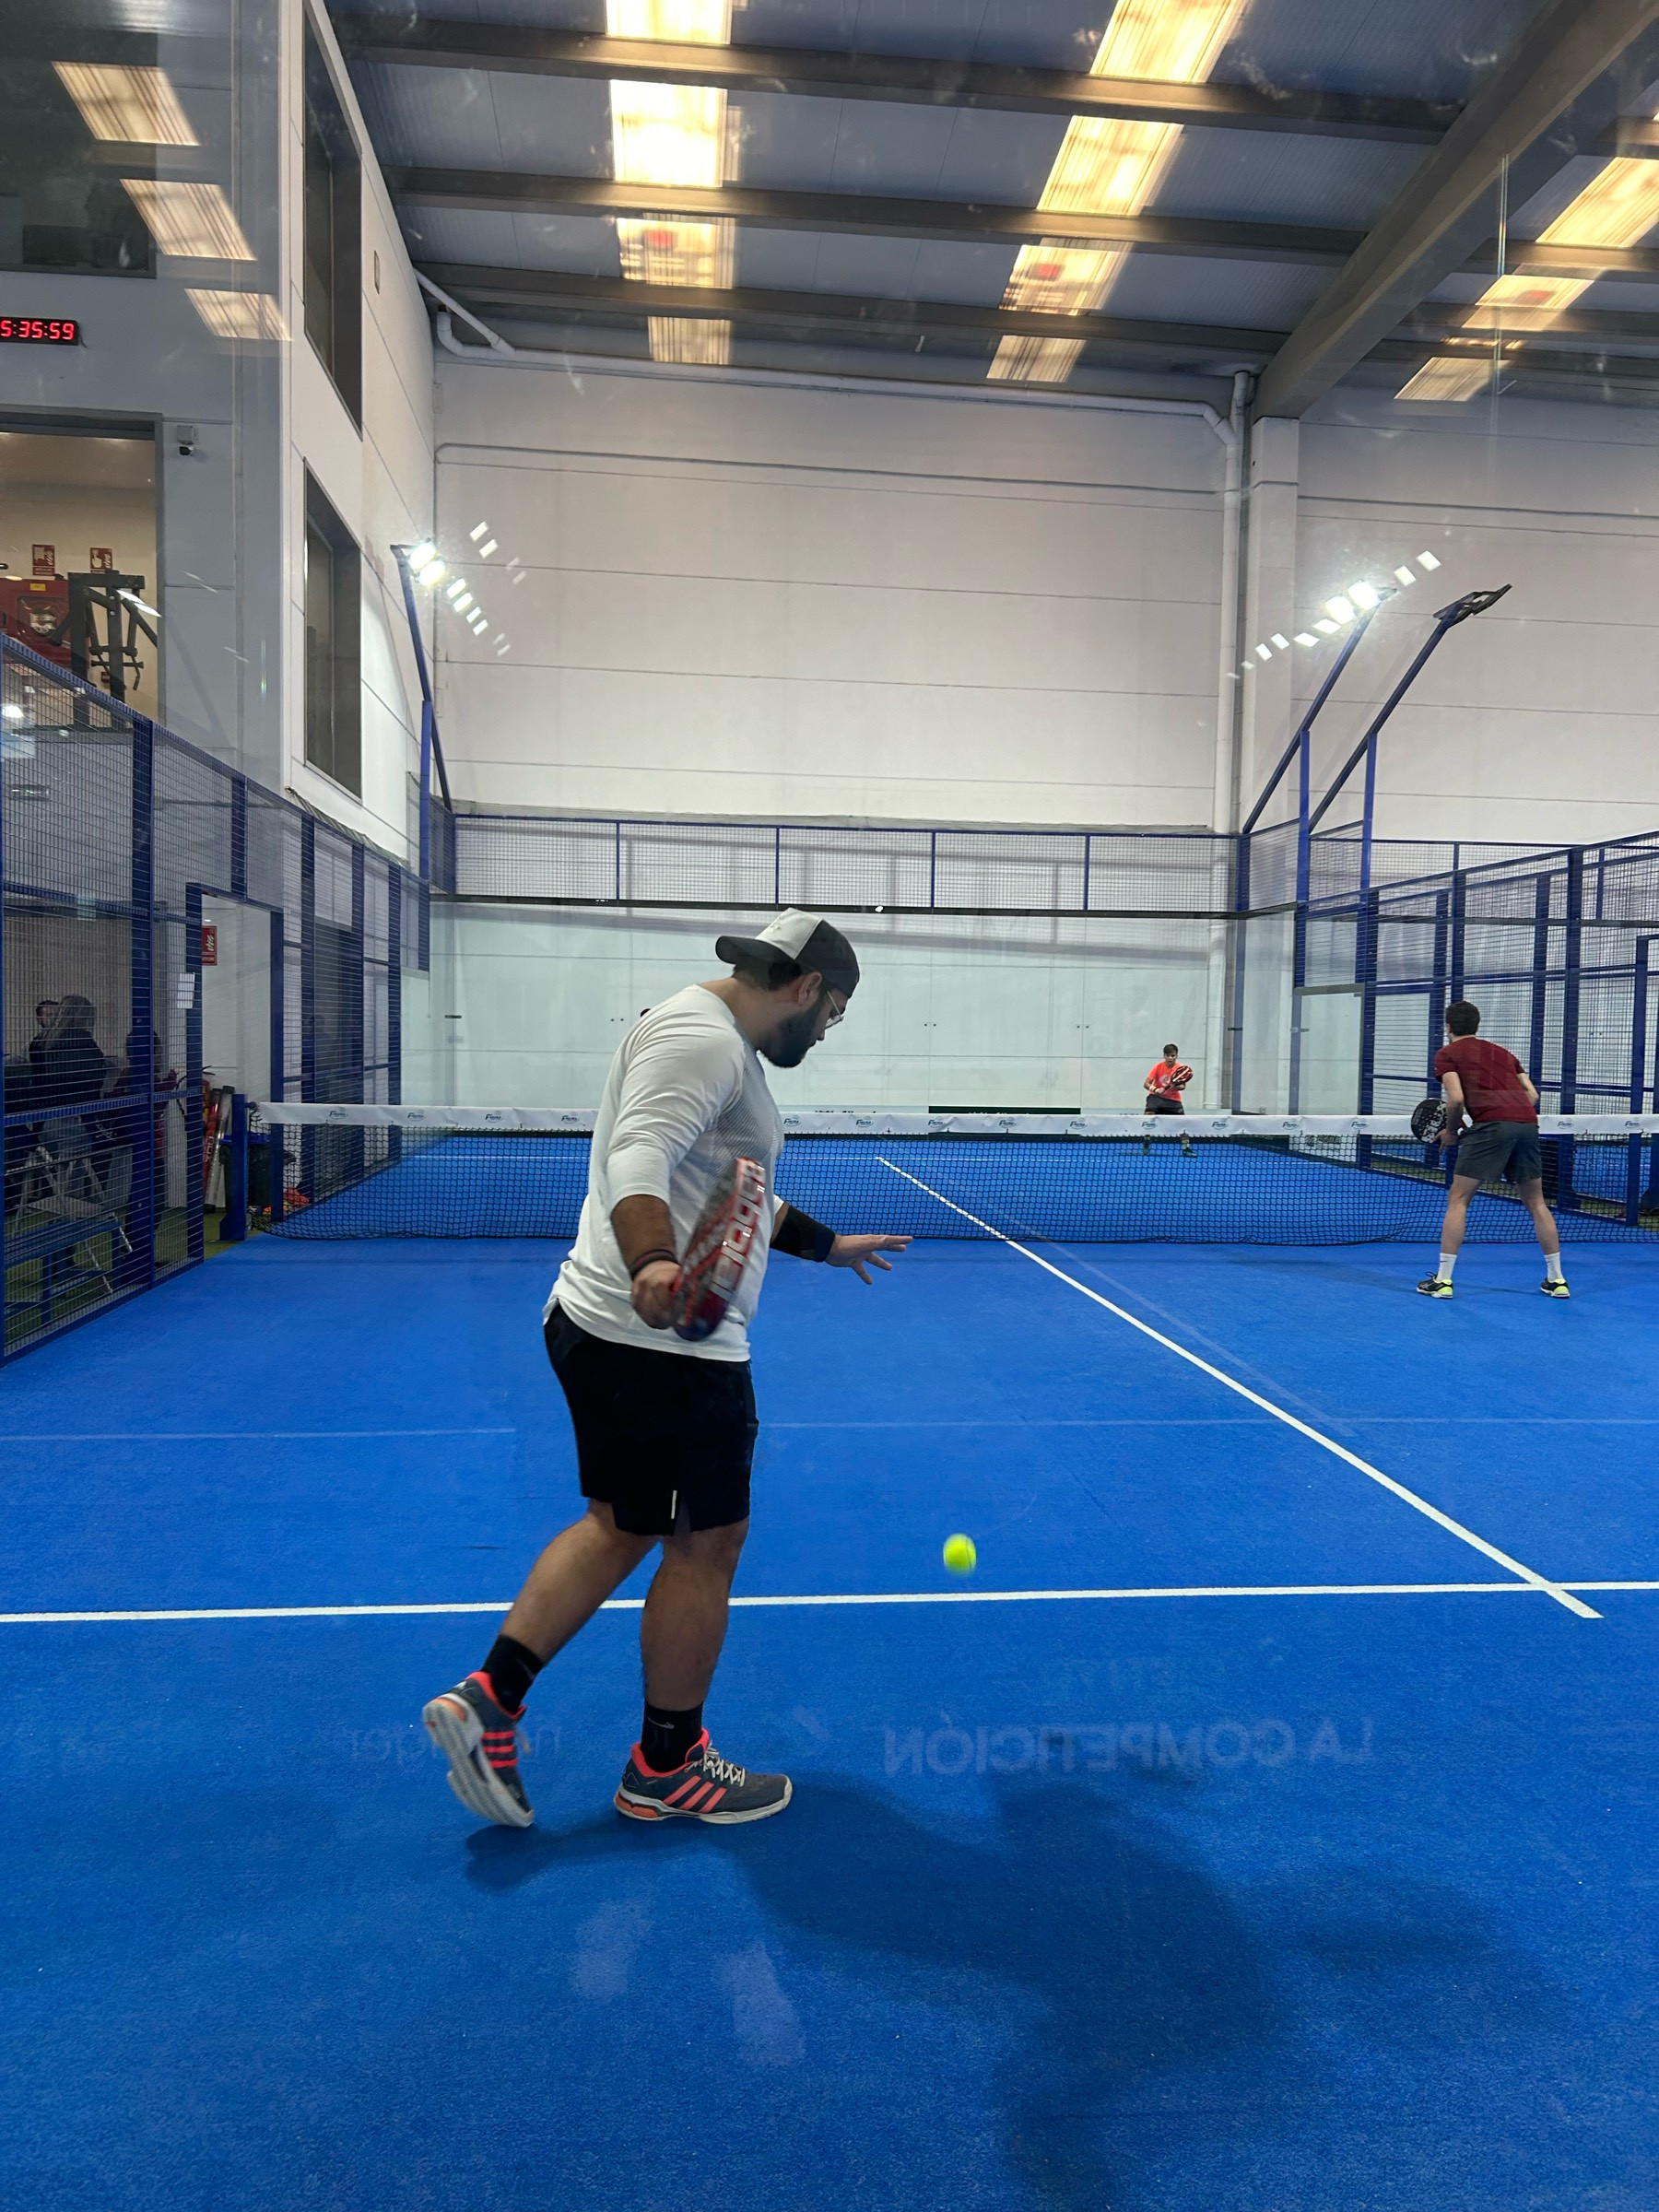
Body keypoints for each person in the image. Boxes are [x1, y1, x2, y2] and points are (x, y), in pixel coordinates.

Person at [423, 912, 911, 1830]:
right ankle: (668, 1765)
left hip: (612, 1331)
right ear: (807, 988)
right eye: (833, 1013)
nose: (826, 1031)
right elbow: (638, 1156)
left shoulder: (709, 1036)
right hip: (665, 1348)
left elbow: (730, 1188)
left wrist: (827, 1245)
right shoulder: (705, 1043)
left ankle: (492, 1700)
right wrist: (652, 1260)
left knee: (620, 1525)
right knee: (705, 1545)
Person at [1417, 1000, 1568, 1300]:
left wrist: (1451, 1131)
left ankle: (1443, 1281)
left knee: (1458, 1200)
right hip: (1527, 1125)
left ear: (1448, 1027)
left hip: (1491, 1127)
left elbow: (1456, 1099)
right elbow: (1532, 1094)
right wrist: (1508, 1110)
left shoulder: (1447, 1054)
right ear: (1477, 1025)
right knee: (1537, 1203)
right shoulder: (1504, 1053)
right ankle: (1557, 1279)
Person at [1142, 1042, 1194, 1156]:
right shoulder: (1158, 1067)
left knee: (1183, 1124)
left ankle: (1186, 1148)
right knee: (1148, 1118)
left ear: (1176, 1056)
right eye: (1168, 1055)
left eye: (1173, 1055)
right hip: (1156, 1098)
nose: (1170, 1058)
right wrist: (1156, 1090)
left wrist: (1174, 1087)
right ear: (1164, 1056)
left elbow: (1182, 1086)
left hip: (1173, 1100)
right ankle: (1146, 1142)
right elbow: (1146, 1084)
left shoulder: (1180, 1069)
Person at [28, 999, 59, 1076]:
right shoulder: (35, 1043)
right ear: (39, 1020)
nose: (55, 1019)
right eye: (50, 1015)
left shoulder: (68, 1039)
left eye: (57, 1015)